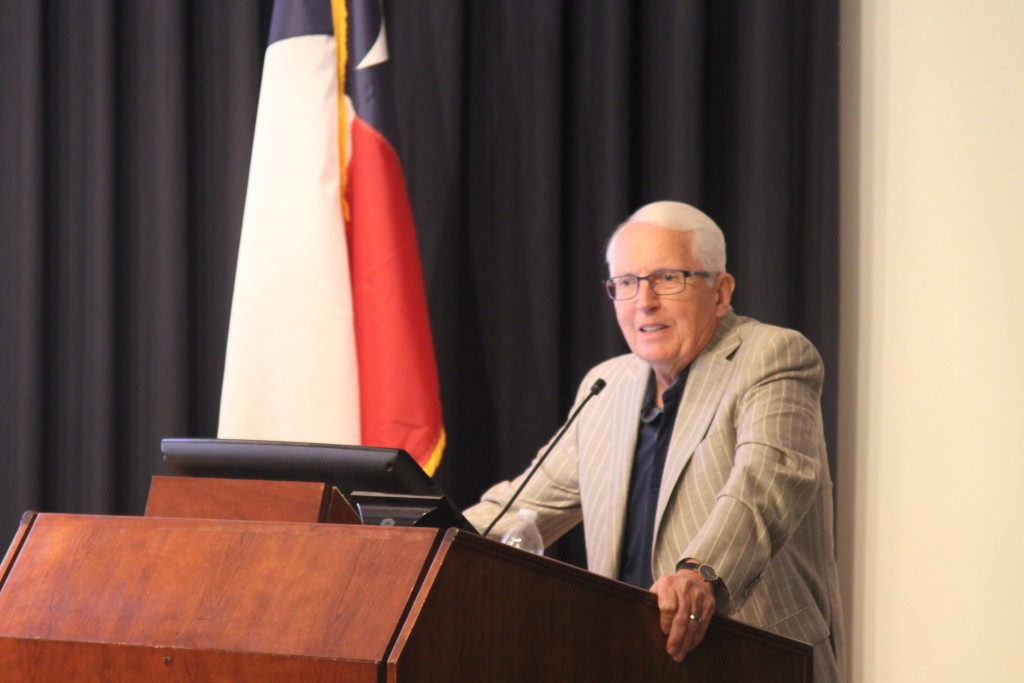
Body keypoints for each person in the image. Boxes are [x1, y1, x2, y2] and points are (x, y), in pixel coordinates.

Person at [463, 201, 844, 682]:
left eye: (667, 278)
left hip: (755, 660)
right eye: (626, 283)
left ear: (720, 291)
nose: (644, 301)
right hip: (627, 661)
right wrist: (419, 536)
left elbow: (764, 486)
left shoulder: (772, 357)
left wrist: (700, 573)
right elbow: (519, 507)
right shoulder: (606, 386)